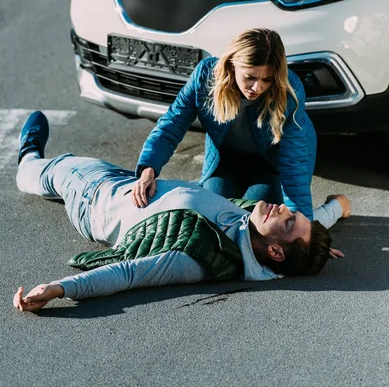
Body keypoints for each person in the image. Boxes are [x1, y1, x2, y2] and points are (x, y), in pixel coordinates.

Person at [13, 112, 350, 313]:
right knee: (60, 172)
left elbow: (127, 273)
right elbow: (309, 227)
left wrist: (58, 288)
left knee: (45, 173)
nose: (283, 209)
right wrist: (335, 211)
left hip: (94, 195)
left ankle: (28, 155)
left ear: (275, 251)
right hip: (133, 183)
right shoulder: (251, 232)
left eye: (289, 221)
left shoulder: (197, 258)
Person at [133, 28, 317, 220]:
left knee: (252, 219)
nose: (257, 87)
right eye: (250, 77)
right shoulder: (204, 77)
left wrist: (306, 233)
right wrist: (148, 170)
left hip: (271, 166)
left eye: (267, 79)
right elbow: (171, 125)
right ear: (232, 65)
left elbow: (294, 164)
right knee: (210, 216)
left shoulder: (289, 90)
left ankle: (336, 206)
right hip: (224, 162)